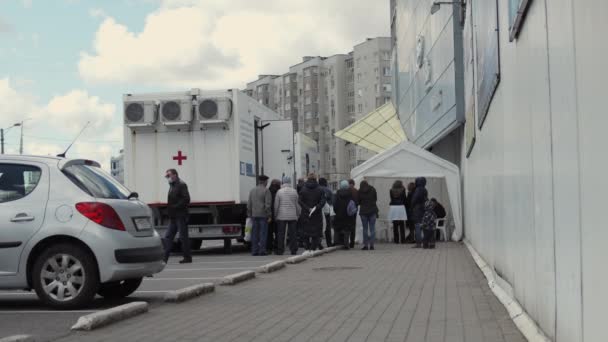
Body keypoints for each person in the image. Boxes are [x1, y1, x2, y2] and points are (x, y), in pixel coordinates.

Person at [162, 169, 192, 264]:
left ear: (175, 175)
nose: (168, 177)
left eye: (169, 175)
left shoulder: (181, 184)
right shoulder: (172, 185)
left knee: (183, 237)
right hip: (173, 216)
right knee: (168, 237)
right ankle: (164, 258)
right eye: (167, 176)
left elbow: (186, 199)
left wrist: (175, 207)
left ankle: (187, 258)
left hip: (181, 215)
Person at [298, 174, 326, 252]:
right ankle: (313, 248)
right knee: (316, 232)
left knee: (305, 231)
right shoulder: (320, 189)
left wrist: (307, 208)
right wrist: (316, 207)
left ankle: (307, 247)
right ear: (316, 179)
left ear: (308, 179)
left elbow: (299, 201)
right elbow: (323, 201)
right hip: (316, 213)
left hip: (305, 214)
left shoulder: (303, 189)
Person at [274, 176, 301, 255]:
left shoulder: (279, 192)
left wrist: (275, 215)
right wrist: (298, 213)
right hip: (292, 215)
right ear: (290, 182)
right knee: (293, 233)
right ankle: (293, 250)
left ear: (283, 182)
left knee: (281, 234)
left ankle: (280, 250)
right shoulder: (294, 191)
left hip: (281, 216)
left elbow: (276, 205)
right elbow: (297, 204)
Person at [247, 175, 272, 256]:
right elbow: (267, 205)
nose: (267, 183)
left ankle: (254, 251)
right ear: (264, 181)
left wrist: (250, 214)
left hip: (254, 215)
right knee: (263, 233)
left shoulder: (252, 190)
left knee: (254, 234)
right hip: (263, 215)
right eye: (267, 181)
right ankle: (262, 251)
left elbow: (249, 204)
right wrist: (269, 215)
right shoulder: (266, 191)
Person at [332, 180, 355, 249]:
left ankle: (336, 242)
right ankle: (346, 244)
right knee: (347, 229)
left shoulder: (337, 193)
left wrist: (336, 211)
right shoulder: (350, 193)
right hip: (347, 215)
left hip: (339, 214)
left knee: (337, 228)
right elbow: (352, 203)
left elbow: (334, 204)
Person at [358, 180, 379, 250]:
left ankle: (366, 245)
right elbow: (375, 199)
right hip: (372, 211)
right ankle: (372, 245)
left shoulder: (360, 191)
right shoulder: (373, 189)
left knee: (365, 229)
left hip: (363, 211)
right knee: (372, 228)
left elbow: (358, 202)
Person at [411, 177, 428, 248]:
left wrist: (412, 206)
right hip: (423, 208)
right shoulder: (425, 189)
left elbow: (414, 199)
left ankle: (418, 243)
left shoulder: (418, 189)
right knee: (423, 225)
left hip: (418, 209)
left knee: (417, 226)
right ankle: (425, 241)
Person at [267, 179, 282, 254]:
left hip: (269, 215)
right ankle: (277, 248)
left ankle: (269, 248)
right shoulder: (279, 192)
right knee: (278, 233)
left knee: (269, 233)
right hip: (277, 215)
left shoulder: (268, 191)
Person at [318, 177, 333, 248]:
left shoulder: (317, 189)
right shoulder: (328, 190)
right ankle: (329, 243)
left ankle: (319, 242)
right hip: (327, 211)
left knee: (319, 227)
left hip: (318, 210)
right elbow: (332, 201)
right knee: (327, 227)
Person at [347, 179, 359, 248]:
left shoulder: (347, 190)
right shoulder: (356, 191)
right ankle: (352, 243)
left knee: (347, 226)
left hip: (347, 211)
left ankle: (346, 241)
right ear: (354, 184)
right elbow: (358, 201)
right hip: (354, 211)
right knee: (353, 226)